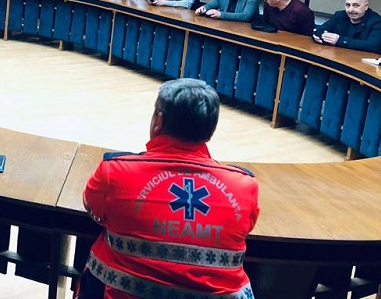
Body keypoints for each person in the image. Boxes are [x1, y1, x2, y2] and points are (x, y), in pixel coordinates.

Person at [79, 78, 260, 299]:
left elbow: (92, 206)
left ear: (158, 121)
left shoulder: (115, 171)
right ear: (211, 131)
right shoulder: (244, 186)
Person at [313, 0, 381, 54]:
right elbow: (320, 29)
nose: (350, 10)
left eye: (356, 5)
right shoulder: (340, 15)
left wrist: (340, 41)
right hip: (338, 56)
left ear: (366, 6)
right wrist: (318, 35)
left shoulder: (377, 22)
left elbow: (374, 46)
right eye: (348, 5)